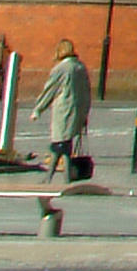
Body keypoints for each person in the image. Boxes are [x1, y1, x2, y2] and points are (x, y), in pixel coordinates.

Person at [36, 43, 88, 177]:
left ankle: (57, 178)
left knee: (59, 144)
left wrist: (38, 108)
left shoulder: (62, 68)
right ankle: (52, 177)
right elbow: (86, 91)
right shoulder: (80, 67)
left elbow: (50, 89)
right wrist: (85, 113)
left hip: (64, 110)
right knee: (65, 144)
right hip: (78, 109)